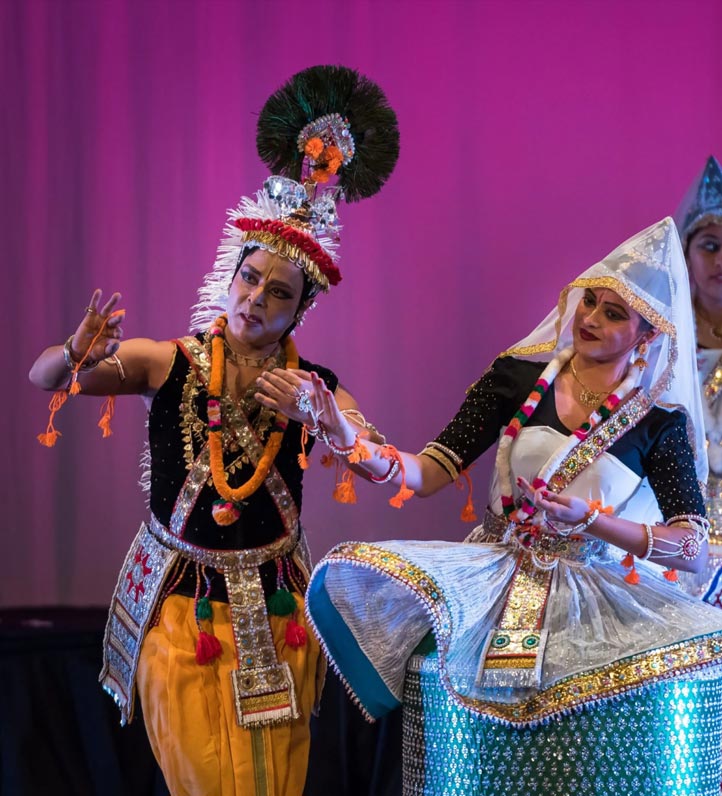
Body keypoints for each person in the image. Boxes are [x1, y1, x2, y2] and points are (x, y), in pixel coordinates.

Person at [29, 65, 399, 796]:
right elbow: (47, 380)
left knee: (274, 782)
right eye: (249, 280)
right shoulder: (165, 363)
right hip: (182, 609)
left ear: (300, 313)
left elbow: (381, 464)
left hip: (281, 611)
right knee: (203, 779)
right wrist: (74, 353)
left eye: (279, 293)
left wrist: (327, 422)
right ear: (230, 278)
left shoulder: (312, 389)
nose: (256, 299)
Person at [266, 218, 722, 795]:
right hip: (493, 580)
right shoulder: (515, 378)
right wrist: (341, 434)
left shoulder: (660, 423)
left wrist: (592, 522)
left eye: (613, 314)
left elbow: (689, 548)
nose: (589, 319)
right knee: (476, 760)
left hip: (595, 599)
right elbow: (425, 472)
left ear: (647, 336)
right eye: (589, 301)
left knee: (583, 759)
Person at [674, 155, 722, 604]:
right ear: (685, 254)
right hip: (679, 507)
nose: (721, 260)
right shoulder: (662, 336)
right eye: (710, 245)